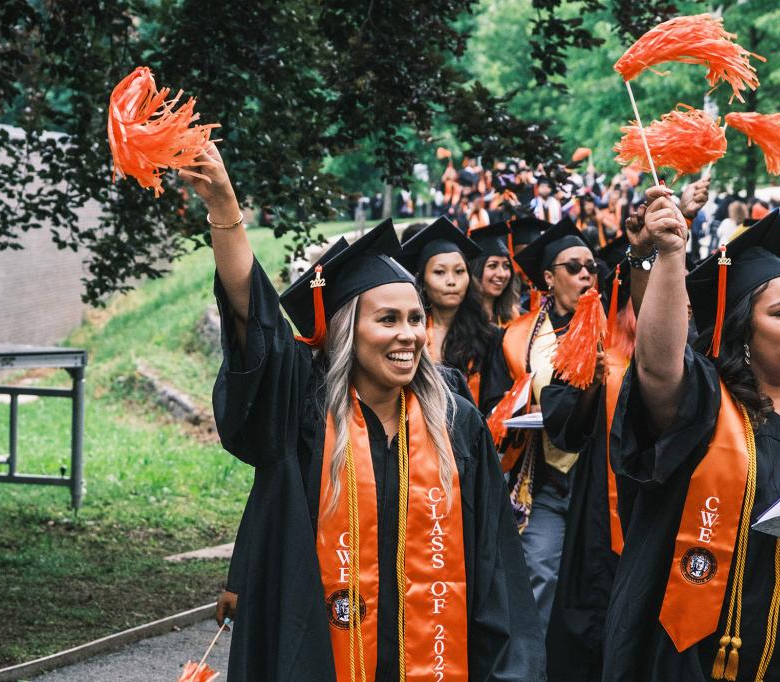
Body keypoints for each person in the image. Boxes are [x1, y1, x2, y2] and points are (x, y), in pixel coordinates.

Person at [185, 144, 545, 681]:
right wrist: (226, 212)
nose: (408, 334)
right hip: (322, 657)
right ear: (349, 332)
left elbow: (494, 562)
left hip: (434, 657)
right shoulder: (305, 411)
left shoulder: (453, 420)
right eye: (388, 320)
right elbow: (252, 320)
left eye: (415, 318)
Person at [604, 188, 780, 682]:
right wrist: (668, 254)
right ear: (743, 329)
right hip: (701, 652)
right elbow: (658, 363)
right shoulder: (702, 402)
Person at [483, 220, 604, 639]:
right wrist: (520, 406)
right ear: (549, 278)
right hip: (544, 481)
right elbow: (494, 407)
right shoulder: (516, 337)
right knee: (540, 574)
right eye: (573, 266)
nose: (586, 273)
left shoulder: (617, 328)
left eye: (592, 265)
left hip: (601, 481)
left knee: (595, 585)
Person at [539, 259, 636, 682]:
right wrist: (593, 387)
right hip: (599, 514)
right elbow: (564, 428)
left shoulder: (689, 357)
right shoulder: (588, 352)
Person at [399, 217, 501, 409]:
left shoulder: (490, 336)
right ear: (422, 281)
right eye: (439, 272)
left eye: (459, 271)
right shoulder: (408, 335)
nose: (451, 281)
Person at [469, 220, 522, 326]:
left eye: (506, 266)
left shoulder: (512, 316)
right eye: (492, 266)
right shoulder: (463, 318)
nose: (502, 274)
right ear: (476, 270)